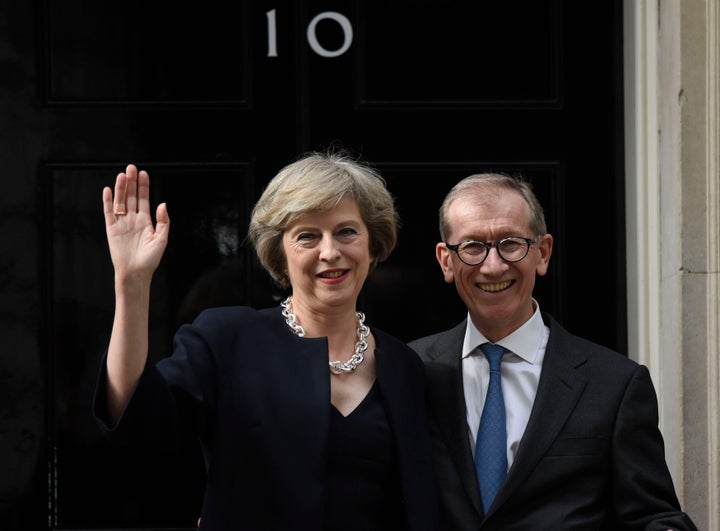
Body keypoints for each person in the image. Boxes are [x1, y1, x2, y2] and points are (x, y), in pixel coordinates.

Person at [93, 151, 439, 530]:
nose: (330, 251)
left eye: (346, 231)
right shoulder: (228, 339)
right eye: (307, 236)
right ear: (279, 253)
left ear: (372, 244)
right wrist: (132, 284)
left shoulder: (404, 365)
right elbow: (136, 419)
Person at [408, 172, 698, 530]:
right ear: (446, 261)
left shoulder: (615, 385)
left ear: (542, 253)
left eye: (510, 243)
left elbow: (653, 517)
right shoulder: (409, 371)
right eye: (473, 247)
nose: (493, 265)